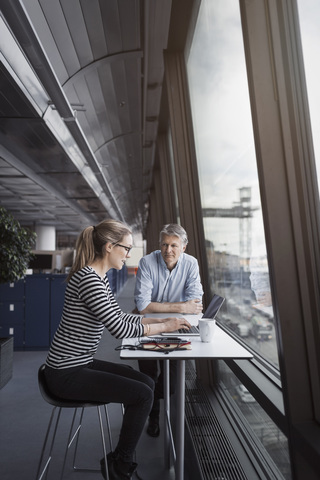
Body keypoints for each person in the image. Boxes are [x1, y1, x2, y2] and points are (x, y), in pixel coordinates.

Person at [44, 219, 192, 480]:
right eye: (126, 248)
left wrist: (161, 323)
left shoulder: (98, 277)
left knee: (146, 380)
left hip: (80, 363)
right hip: (65, 373)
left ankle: (121, 458)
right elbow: (120, 329)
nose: (128, 255)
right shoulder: (89, 280)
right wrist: (164, 325)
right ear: (109, 247)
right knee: (143, 395)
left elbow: (122, 317)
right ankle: (119, 465)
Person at [134, 223, 203, 437]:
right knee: (148, 376)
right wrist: (182, 306)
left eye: (174, 245)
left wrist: (173, 309)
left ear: (184, 247)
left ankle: (154, 400)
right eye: (164, 244)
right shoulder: (147, 262)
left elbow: (196, 303)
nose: (168, 250)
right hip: (147, 324)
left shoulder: (191, 264)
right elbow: (144, 306)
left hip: (176, 325)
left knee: (171, 383)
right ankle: (153, 415)